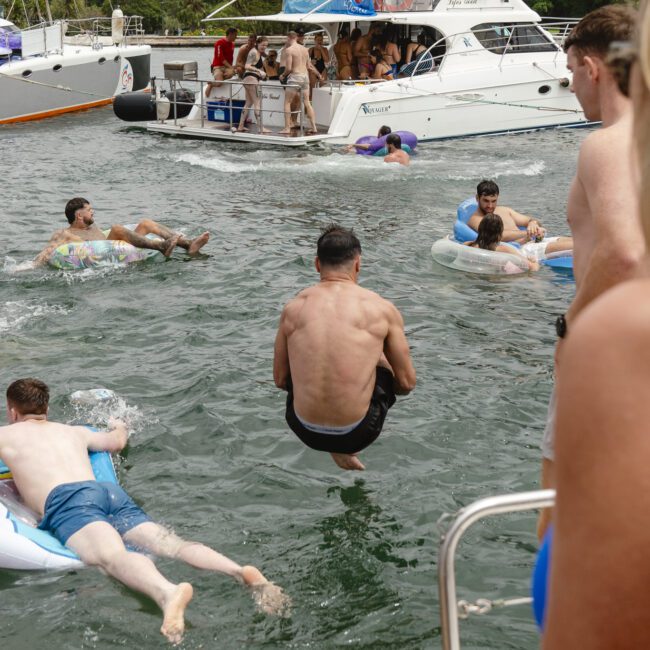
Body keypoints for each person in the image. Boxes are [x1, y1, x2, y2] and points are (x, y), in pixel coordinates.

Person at [0, 378, 289, 644]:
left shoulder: (6, 435)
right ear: (46, 408)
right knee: (172, 545)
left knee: (112, 558)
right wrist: (119, 424)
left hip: (69, 502)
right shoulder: (73, 432)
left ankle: (167, 593)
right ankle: (243, 573)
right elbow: (117, 442)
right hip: (106, 492)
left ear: (12, 412)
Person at [542, 5, 650, 646]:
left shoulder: (608, 142)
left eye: (569, 73)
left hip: (611, 359)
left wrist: (572, 326)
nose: (571, 88)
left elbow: (623, 251)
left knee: (560, 525)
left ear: (591, 66)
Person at [273, 225, 416, 471]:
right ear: (358, 264)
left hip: (303, 429)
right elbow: (406, 384)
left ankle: (332, 437)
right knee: (381, 359)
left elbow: (280, 379)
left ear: (317, 264)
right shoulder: (381, 309)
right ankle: (343, 439)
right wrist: (375, 362)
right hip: (359, 432)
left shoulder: (293, 308)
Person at [34, 198, 210, 267]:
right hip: (102, 252)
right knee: (117, 228)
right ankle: (161, 247)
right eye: (89, 210)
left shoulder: (92, 227)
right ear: (79, 215)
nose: (93, 212)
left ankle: (188, 244)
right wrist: (31, 266)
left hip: (117, 246)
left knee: (145, 223)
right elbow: (48, 251)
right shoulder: (64, 233)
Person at [465, 212, 549, 271]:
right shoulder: (504, 250)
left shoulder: (468, 245)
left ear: (480, 229)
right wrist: (535, 262)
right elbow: (533, 268)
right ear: (500, 233)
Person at [468, 180, 545, 244]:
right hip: (520, 250)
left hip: (533, 243)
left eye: (494, 201)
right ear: (477, 198)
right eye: (486, 201)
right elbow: (495, 236)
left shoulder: (505, 210)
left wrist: (532, 224)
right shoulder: (475, 219)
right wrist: (529, 232)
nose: (490, 206)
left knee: (557, 240)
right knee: (557, 246)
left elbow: (530, 220)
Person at [279, 31, 319, 135]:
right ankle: (314, 127)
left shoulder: (289, 50)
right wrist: (318, 74)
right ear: (296, 38)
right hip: (305, 77)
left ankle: (287, 128)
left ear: (288, 38)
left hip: (295, 77)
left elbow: (288, 69)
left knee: (287, 102)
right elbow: (309, 66)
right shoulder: (305, 49)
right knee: (307, 103)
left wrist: (282, 75)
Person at [237, 37, 270, 134]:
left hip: (249, 79)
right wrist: (259, 71)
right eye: (263, 45)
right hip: (251, 79)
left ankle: (240, 126)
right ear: (257, 43)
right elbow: (247, 66)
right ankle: (260, 128)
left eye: (266, 45)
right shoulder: (254, 52)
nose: (264, 47)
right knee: (257, 103)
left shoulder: (258, 52)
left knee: (248, 103)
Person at [205, 27, 237, 98]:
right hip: (218, 67)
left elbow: (231, 57)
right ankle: (211, 84)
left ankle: (218, 79)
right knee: (220, 83)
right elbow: (221, 58)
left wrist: (232, 68)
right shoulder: (220, 43)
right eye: (235, 35)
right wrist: (231, 67)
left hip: (227, 67)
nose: (236, 37)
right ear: (230, 34)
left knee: (233, 72)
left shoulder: (232, 44)